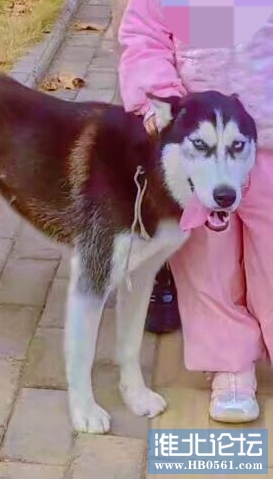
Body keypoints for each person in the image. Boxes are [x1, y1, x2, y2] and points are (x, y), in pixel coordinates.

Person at [118, 0, 273, 423]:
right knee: (206, 260)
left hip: (268, 141)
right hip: (200, 150)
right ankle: (229, 362)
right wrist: (159, 102)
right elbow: (144, 37)